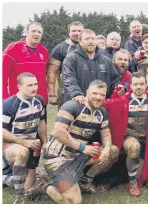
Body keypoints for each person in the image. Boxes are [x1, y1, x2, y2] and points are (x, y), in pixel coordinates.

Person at [26, 80, 119, 204]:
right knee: (73, 202)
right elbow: (59, 132)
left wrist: (106, 148)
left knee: (113, 150)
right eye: (95, 93)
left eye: (102, 95)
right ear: (87, 93)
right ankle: (43, 186)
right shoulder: (72, 106)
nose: (98, 97)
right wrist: (83, 148)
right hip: (57, 159)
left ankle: (85, 181)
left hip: (78, 157)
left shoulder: (102, 113)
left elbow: (106, 135)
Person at [2, 73, 47, 204]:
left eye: (35, 84)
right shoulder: (9, 104)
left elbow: (42, 122)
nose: (34, 88)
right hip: (11, 145)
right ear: (19, 87)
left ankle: (5, 179)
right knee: (23, 152)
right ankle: (19, 198)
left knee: (28, 190)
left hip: (33, 144)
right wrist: (23, 142)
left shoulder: (39, 100)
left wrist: (45, 142)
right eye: (29, 85)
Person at [62, 29, 122, 104]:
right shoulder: (71, 59)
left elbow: (115, 80)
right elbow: (69, 79)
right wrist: (76, 94)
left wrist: (118, 86)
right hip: (79, 104)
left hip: (101, 105)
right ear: (80, 42)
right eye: (87, 39)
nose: (90, 41)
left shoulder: (106, 61)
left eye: (93, 39)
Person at [3, 22, 49, 104]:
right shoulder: (13, 49)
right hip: (17, 101)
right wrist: (5, 99)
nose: (36, 34)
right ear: (26, 33)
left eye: (39, 32)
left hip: (39, 101)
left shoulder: (44, 52)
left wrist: (44, 99)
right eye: (33, 31)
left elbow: (43, 77)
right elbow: (2, 76)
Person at [47, 21, 85, 106]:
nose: (77, 33)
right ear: (69, 33)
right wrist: (51, 94)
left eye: (79, 31)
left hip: (87, 90)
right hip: (66, 91)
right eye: (74, 31)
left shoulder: (91, 47)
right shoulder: (60, 48)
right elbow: (51, 73)